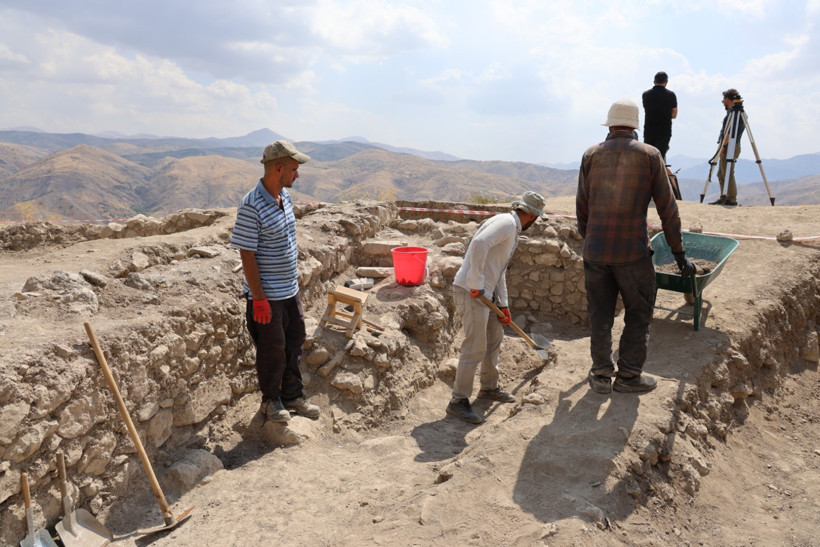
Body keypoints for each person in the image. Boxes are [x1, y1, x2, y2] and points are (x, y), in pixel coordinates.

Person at [576, 99, 695, 395]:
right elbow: (668, 209)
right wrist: (679, 252)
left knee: (600, 313)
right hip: (632, 253)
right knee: (639, 312)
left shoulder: (591, 155)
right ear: (635, 128)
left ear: (610, 125)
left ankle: (601, 374)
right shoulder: (650, 155)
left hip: (595, 251)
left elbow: (582, 208)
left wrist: (590, 240)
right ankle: (628, 376)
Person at [230, 140, 321, 422]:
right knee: (272, 351)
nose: (297, 175)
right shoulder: (251, 206)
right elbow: (247, 256)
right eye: (293, 169)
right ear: (278, 168)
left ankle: (293, 395)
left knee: (295, 341)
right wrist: (258, 299)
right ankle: (271, 401)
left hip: (289, 290)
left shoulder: (285, 197)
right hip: (267, 296)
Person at [447, 191, 547, 423]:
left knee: (494, 339)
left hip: (486, 294)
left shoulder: (512, 228)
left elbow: (498, 270)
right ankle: (458, 401)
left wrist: (504, 304)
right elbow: (479, 243)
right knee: (475, 347)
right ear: (532, 216)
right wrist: (475, 282)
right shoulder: (505, 223)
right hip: (470, 292)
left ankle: (489, 387)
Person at [712, 88, 744, 206]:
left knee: (727, 173)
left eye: (723, 101)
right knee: (721, 173)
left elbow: (730, 133)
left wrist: (723, 147)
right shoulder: (733, 113)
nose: (723, 103)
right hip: (728, 145)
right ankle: (724, 196)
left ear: (728, 100)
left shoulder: (734, 114)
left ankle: (731, 199)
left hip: (730, 145)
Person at [641, 71, 678, 162]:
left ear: (654, 81)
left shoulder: (645, 94)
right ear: (666, 82)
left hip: (649, 129)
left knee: (648, 158)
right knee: (659, 158)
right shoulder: (671, 95)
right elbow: (674, 114)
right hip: (664, 131)